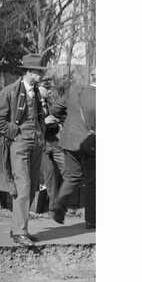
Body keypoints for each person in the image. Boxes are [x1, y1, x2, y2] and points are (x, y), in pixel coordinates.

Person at [0, 53, 49, 247]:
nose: (42, 75)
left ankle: (20, 228)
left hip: (36, 144)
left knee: (31, 187)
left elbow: (40, 116)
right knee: (22, 186)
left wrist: (42, 130)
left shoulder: (38, 93)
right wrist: (15, 133)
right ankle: (20, 231)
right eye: (39, 72)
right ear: (29, 72)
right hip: (20, 145)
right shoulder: (9, 92)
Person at [48, 67, 96, 228]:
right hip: (90, 143)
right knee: (92, 180)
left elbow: (54, 109)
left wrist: (68, 123)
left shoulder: (76, 92)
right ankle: (91, 220)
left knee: (72, 176)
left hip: (69, 140)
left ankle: (58, 208)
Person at [34, 80, 64, 215]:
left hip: (52, 141)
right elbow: (30, 125)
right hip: (40, 143)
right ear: (39, 88)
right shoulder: (32, 103)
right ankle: (54, 207)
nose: (49, 91)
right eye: (47, 88)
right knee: (50, 171)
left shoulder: (47, 103)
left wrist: (56, 123)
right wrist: (45, 122)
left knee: (68, 169)